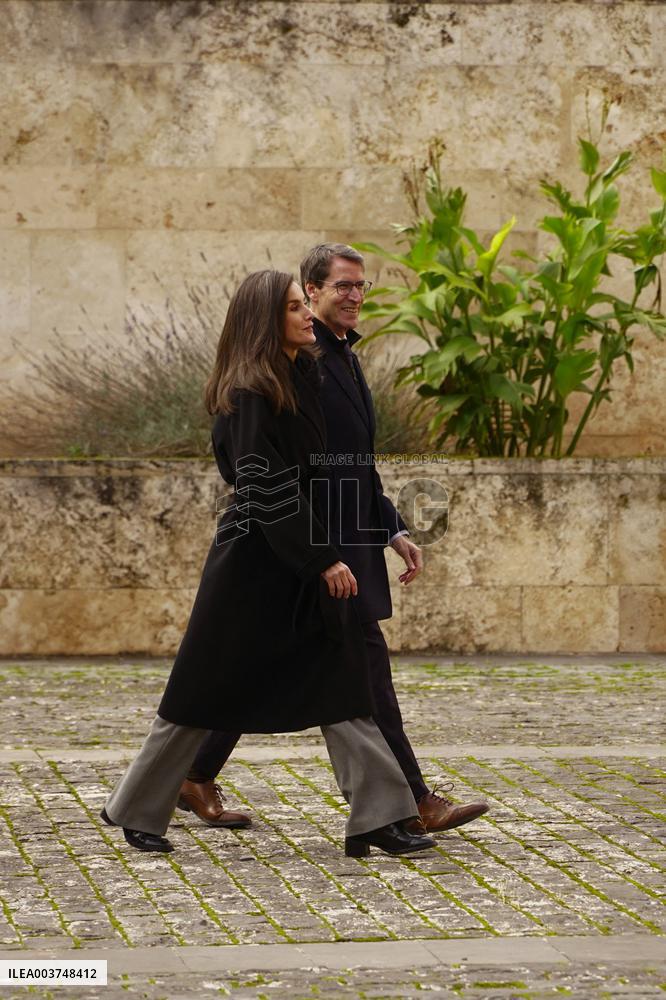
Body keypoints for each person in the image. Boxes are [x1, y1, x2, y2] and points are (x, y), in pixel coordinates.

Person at [101, 269, 435, 858]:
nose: (309, 314)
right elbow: (262, 482)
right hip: (253, 568)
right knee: (201, 691)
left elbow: (334, 467)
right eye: (294, 308)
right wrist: (322, 559)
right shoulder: (248, 391)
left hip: (299, 559)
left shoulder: (300, 374)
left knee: (344, 681)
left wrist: (373, 531)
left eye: (304, 305)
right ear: (264, 321)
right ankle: (134, 807)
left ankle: (378, 818)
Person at [178, 245, 489, 834]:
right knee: (361, 673)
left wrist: (392, 527)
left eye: (361, 286)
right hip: (314, 548)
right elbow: (278, 464)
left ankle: (194, 772)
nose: (354, 296)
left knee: (260, 665)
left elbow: (354, 462)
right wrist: (319, 553)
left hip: (340, 541)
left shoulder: (342, 357)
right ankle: (411, 801)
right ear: (312, 292)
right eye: (341, 286)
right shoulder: (301, 361)